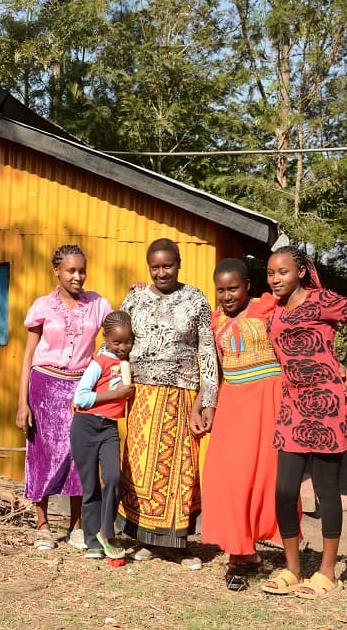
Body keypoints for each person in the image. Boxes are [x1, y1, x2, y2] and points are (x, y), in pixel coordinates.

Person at [262, 245, 347, 599]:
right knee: (285, 491)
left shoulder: (322, 300)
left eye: (282, 272)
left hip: (329, 403)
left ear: (300, 271)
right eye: (270, 273)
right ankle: (293, 569)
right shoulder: (274, 310)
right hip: (293, 405)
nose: (275, 279)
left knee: (326, 489)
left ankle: (328, 573)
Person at [118, 238, 218, 570]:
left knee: (181, 471)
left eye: (168, 265)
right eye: (155, 267)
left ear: (179, 263)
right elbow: (117, 340)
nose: (162, 273)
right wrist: (112, 382)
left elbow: (207, 351)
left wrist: (208, 400)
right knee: (141, 467)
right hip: (142, 395)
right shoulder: (135, 298)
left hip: (182, 394)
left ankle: (179, 546)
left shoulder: (196, 299)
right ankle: (146, 541)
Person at [201, 258, 289, 592]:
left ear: (248, 286)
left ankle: (260, 552)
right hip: (233, 406)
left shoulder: (268, 308)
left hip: (270, 403)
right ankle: (239, 554)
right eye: (221, 290)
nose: (226, 296)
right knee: (228, 480)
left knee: (267, 479)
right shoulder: (216, 322)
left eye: (233, 288)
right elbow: (212, 370)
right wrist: (203, 405)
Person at [17, 244, 112, 551]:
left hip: (80, 389)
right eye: (71, 270)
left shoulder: (98, 304)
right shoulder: (43, 306)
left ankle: (76, 526)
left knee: (79, 455)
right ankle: (42, 525)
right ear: (57, 271)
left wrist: (135, 294)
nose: (77, 276)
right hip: (44, 386)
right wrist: (22, 403)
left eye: (82, 271)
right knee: (43, 454)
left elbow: (120, 327)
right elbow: (28, 355)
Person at [70, 311, 135, 560]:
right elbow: (81, 397)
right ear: (106, 338)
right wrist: (116, 394)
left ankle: (106, 532)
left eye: (127, 341)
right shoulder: (99, 363)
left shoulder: (129, 362)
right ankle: (92, 542)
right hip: (85, 426)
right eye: (116, 342)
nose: (122, 347)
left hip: (109, 428)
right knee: (90, 486)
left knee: (113, 477)